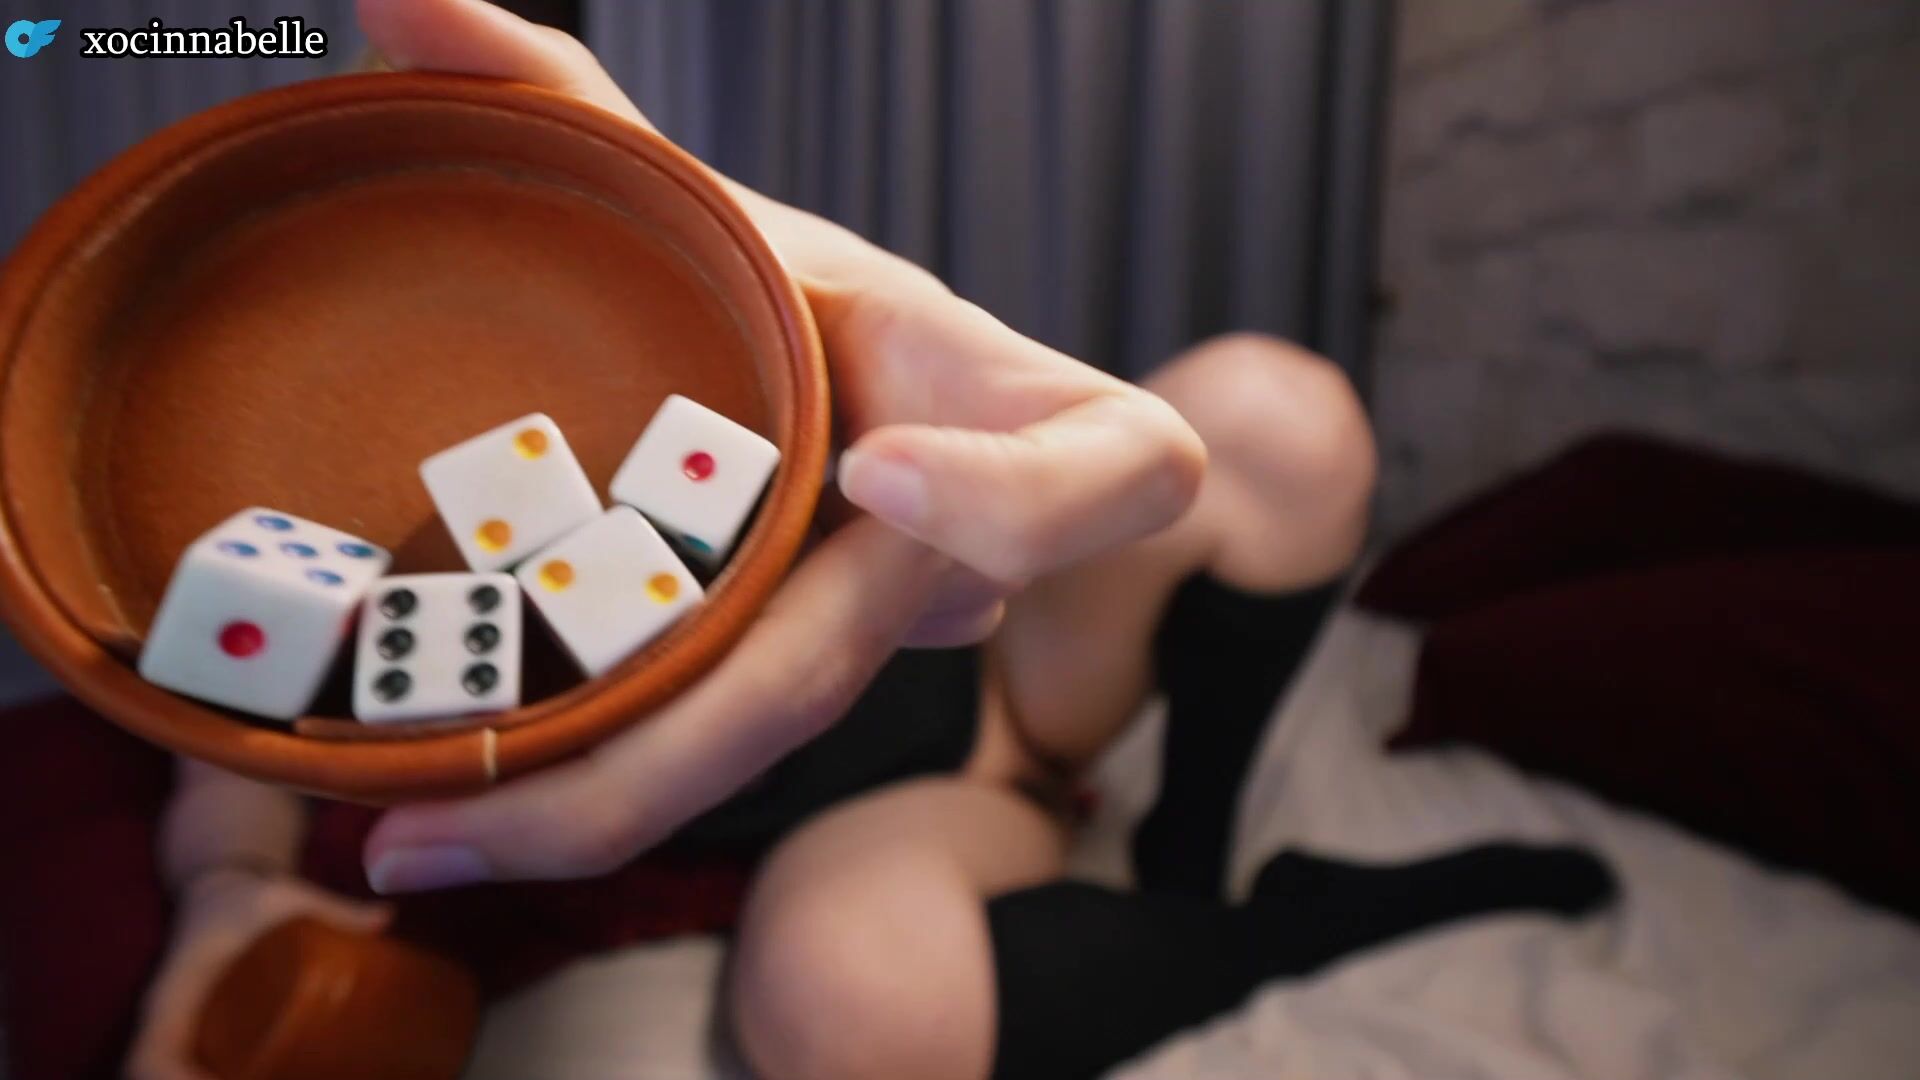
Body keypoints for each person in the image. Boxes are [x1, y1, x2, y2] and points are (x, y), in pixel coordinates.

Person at [132, 3, 1613, 1078]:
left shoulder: (672, 290)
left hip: (995, 658)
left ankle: (1192, 864)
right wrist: (227, 894)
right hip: (897, 803)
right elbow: (229, 757)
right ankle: (1276, 925)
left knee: (1279, 418)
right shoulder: (273, 505)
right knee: (853, 1012)